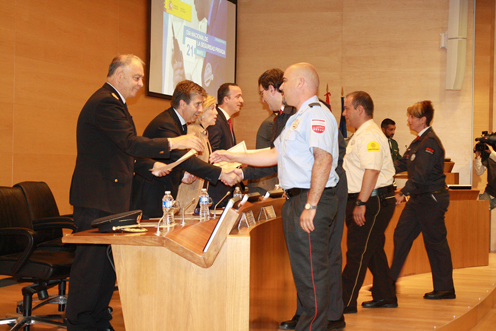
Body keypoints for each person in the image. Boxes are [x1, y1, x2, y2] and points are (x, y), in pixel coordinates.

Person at [67, 54, 205, 331]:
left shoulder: (115, 102)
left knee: (107, 264)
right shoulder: (106, 101)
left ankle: (96, 318)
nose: (141, 83)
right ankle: (80, 322)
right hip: (97, 197)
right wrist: (174, 141)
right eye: (137, 77)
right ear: (118, 75)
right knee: (91, 267)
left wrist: (151, 165)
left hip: (110, 196)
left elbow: (118, 150)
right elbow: (129, 143)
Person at [210, 63, 340, 331]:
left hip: (310, 199)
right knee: (304, 271)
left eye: (286, 81)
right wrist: (232, 156)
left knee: (313, 274)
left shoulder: (318, 116)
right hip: (295, 200)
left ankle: (313, 327)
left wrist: (312, 205)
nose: (281, 87)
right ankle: (307, 323)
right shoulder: (296, 118)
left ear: (301, 83)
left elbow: (323, 160)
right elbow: (272, 154)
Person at [132, 81, 241, 218]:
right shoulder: (166, 124)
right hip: (150, 198)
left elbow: (175, 160)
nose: (201, 109)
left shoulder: (178, 123)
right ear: (183, 104)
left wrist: (182, 173)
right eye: (197, 104)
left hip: (162, 196)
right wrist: (221, 174)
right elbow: (185, 160)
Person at [390, 100, 455, 300]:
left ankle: (445, 288)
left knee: (435, 243)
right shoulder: (419, 140)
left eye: (412, 117)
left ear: (422, 119)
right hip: (420, 199)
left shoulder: (430, 142)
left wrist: (402, 192)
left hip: (431, 199)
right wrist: (381, 168)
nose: (408, 121)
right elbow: (403, 163)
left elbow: (420, 175)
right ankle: (388, 283)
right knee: (401, 235)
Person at [341, 91, 397, 313]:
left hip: (371, 200)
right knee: (372, 249)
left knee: (357, 252)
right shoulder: (362, 133)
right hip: (369, 198)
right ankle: (385, 295)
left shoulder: (370, 136)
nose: (344, 113)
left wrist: (361, 203)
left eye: (347, 108)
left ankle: (344, 303)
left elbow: (372, 170)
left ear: (360, 110)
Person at [176, 95, 218, 212]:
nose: (216, 113)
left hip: (196, 195)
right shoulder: (193, 131)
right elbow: (188, 163)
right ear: (202, 113)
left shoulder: (203, 132)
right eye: (212, 108)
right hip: (186, 195)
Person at [207, 83, 244, 207]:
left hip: (226, 186)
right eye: (238, 97)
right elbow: (213, 153)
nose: (241, 101)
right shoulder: (216, 120)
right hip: (217, 188)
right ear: (226, 99)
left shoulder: (225, 120)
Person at [474, 142, 496, 210]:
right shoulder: (488, 156)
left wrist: (492, 152)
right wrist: (478, 157)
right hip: (491, 191)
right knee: (480, 210)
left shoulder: (492, 155)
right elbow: (479, 172)